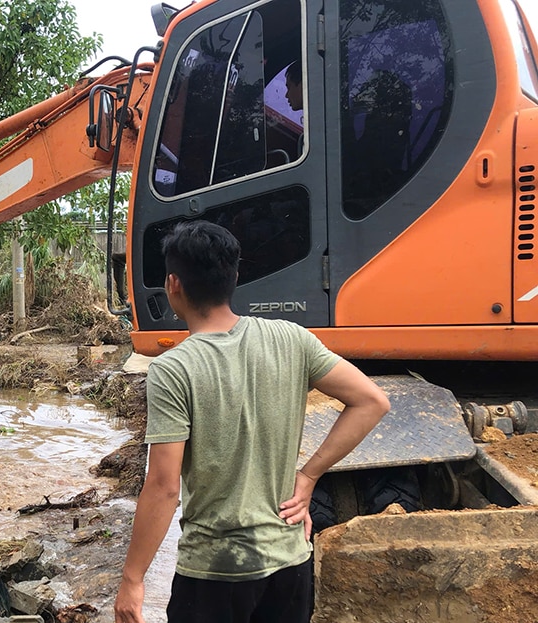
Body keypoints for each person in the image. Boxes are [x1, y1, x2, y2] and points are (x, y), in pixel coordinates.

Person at [113, 220, 390, 623]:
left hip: (214, 574)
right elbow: (372, 401)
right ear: (234, 277)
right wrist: (309, 476)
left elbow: (163, 485)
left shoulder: (174, 369)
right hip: (290, 563)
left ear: (173, 284)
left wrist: (132, 579)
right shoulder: (292, 338)